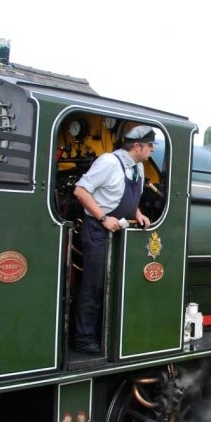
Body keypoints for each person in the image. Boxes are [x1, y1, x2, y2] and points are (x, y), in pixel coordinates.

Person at [72, 125, 155, 354]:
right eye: (150, 146)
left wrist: (137, 213)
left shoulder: (138, 166)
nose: (152, 150)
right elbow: (81, 191)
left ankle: (106, 334)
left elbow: (126, 195)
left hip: (120, 229)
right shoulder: (108, 162)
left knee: (114, 283)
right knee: (94, 284)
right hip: (98, 228)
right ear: (137, 146)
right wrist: (103, 217)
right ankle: (83, 338)